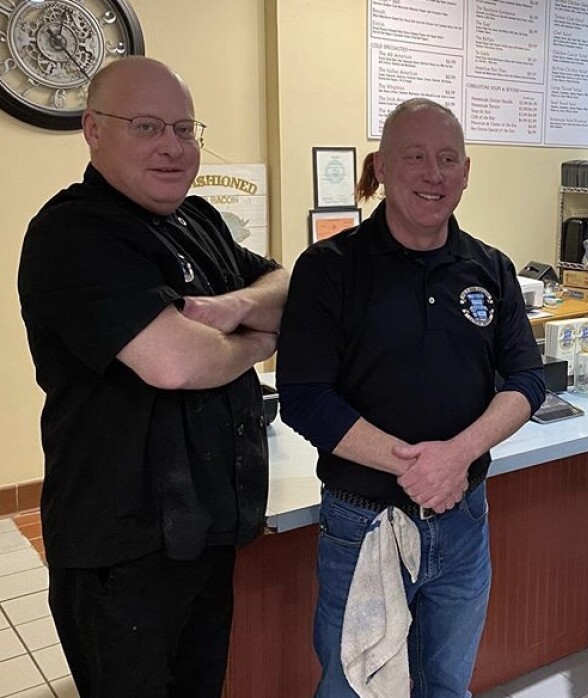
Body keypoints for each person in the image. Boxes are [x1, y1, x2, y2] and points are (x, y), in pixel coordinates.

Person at [17, 57, 289, 698]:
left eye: (184, 128)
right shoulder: (73, 234)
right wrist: (262, 340)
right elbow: (175, 362)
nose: (172, 146)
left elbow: (287, 281)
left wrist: (236, 308)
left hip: (206, 533)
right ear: (92, 128)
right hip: (123, 551)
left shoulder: (200, 220)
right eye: (146, 126)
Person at [276, 98, 545, 697]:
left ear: (467, 171)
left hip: (464, 520)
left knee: (446, 684)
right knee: (355, 686)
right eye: (415, 157)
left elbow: (527, 378)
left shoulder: (490, 268)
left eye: (448, 159)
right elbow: (303, 395)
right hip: (363, 522)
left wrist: (458, 456)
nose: (434, 174)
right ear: (382, 166)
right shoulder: (330, 269)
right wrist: (419, 466)